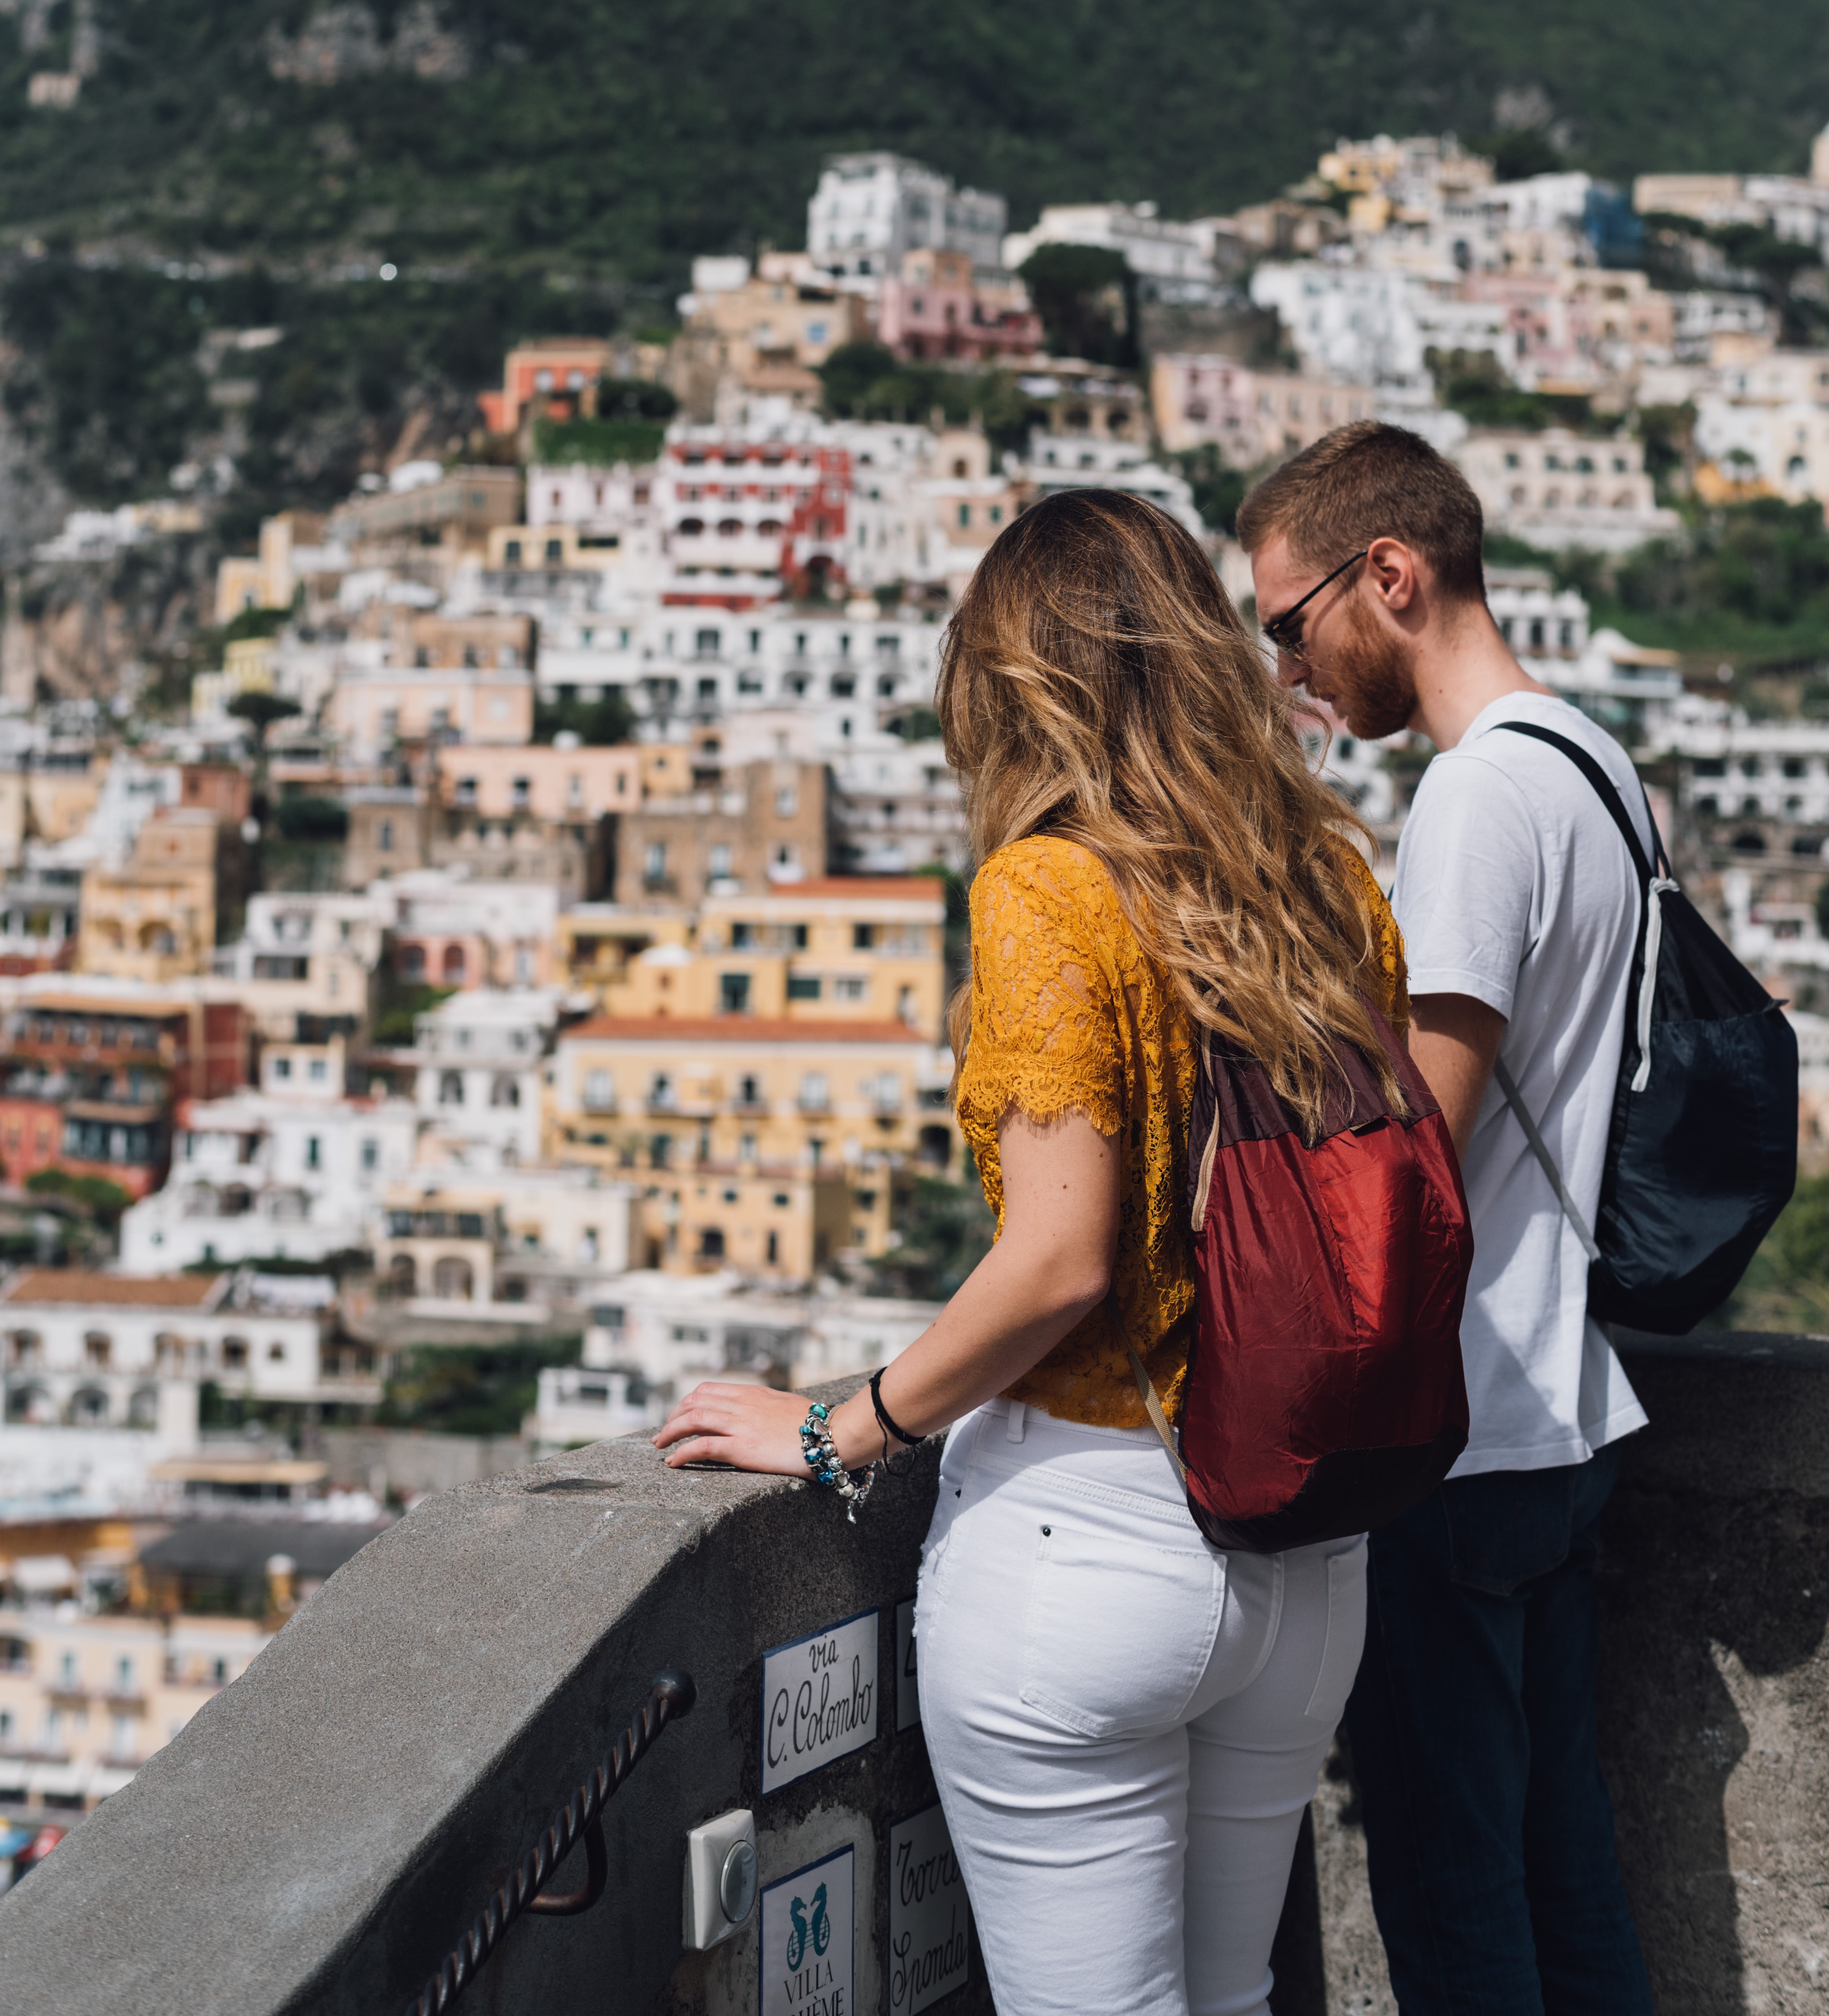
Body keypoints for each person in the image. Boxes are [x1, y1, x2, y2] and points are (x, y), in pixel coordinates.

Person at [655, 485, 1413, 2016]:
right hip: (1304, 1548)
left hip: (1092, 1536)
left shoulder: (1049, 892)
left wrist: (833, 1426)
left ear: (1009, 685)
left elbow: (1061, 1260)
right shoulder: (1323, 878)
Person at [1240, 420, 1656, 2016]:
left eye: (1290, 625)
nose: (1290, 670)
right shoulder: (1592, 764)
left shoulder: (1478, 803)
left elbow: (1410, 1158)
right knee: (1565, 1869)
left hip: (1460, 1434)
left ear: (1389, 576)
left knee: (1452, 1889)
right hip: (1565, 1408)